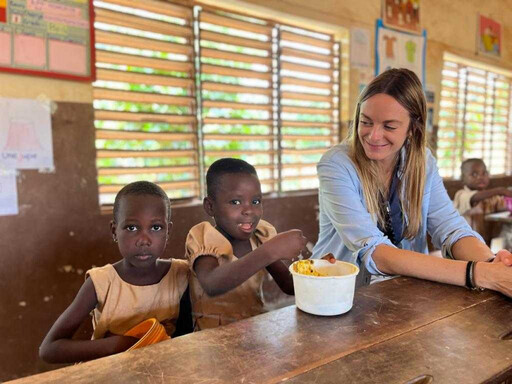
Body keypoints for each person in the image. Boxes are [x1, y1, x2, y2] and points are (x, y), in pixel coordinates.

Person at [312, 68, 512, 296]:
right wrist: (480, 273)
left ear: (412, 128)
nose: (373, 135)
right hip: (337, 297)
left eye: (389, 126)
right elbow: (373, 250)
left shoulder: (422, 162)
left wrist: (491, 263)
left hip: (403, 297)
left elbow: (451, 228)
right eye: (365, 122)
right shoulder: (336, 164)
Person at [39, 181, 189, 363]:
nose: (144, 240)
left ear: (168, 231)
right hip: (110, 372)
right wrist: (120, 344)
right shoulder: (102, 282)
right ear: (114, 231)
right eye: (132, 228)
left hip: (162, 370)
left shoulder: (181, 274)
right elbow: (50, 349)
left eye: (156, 228)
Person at [185, 158, 308, 330]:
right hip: (211, 341)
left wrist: (319, 273)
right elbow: (212, 284)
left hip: (255, 331)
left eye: (256, 201)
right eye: (235, 202)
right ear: (210, 207)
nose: (249, 210)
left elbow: (288, 285)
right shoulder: (204, 237)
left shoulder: (259, 237)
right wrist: (271, 250)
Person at [453, 158, 511, 243]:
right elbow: (474, 198)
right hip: (466, 243)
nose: (480, 177)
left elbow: (506, 206)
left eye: (484, 173)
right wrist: (500, 190)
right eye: (474, 174)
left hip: (487, 242)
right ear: (463, 179)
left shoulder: (492, 198)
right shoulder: (461, 195)